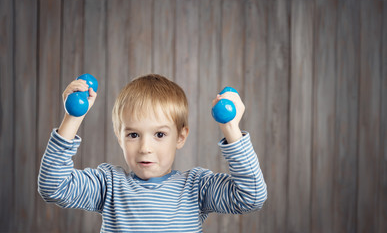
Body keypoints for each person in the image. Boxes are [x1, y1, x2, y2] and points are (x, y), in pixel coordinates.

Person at [38, 74, 267, 232]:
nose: (145, 148)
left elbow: (251, 197)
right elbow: (53, 186)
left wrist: (231, 129)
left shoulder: (196, 188)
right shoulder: (108, 185)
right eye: (133, 135)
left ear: (180, 137)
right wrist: (73, 117)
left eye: (159, 135)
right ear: (120, 136)